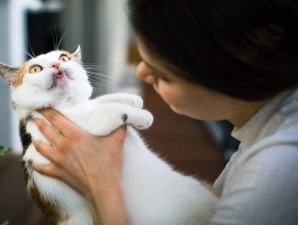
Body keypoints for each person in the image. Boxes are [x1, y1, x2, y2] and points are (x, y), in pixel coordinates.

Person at [31, 0, 298, 224]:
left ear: (229, 73)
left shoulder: (277, 165)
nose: (140, 72)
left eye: (162, 74)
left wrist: (99, 182)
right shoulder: (268, 123)